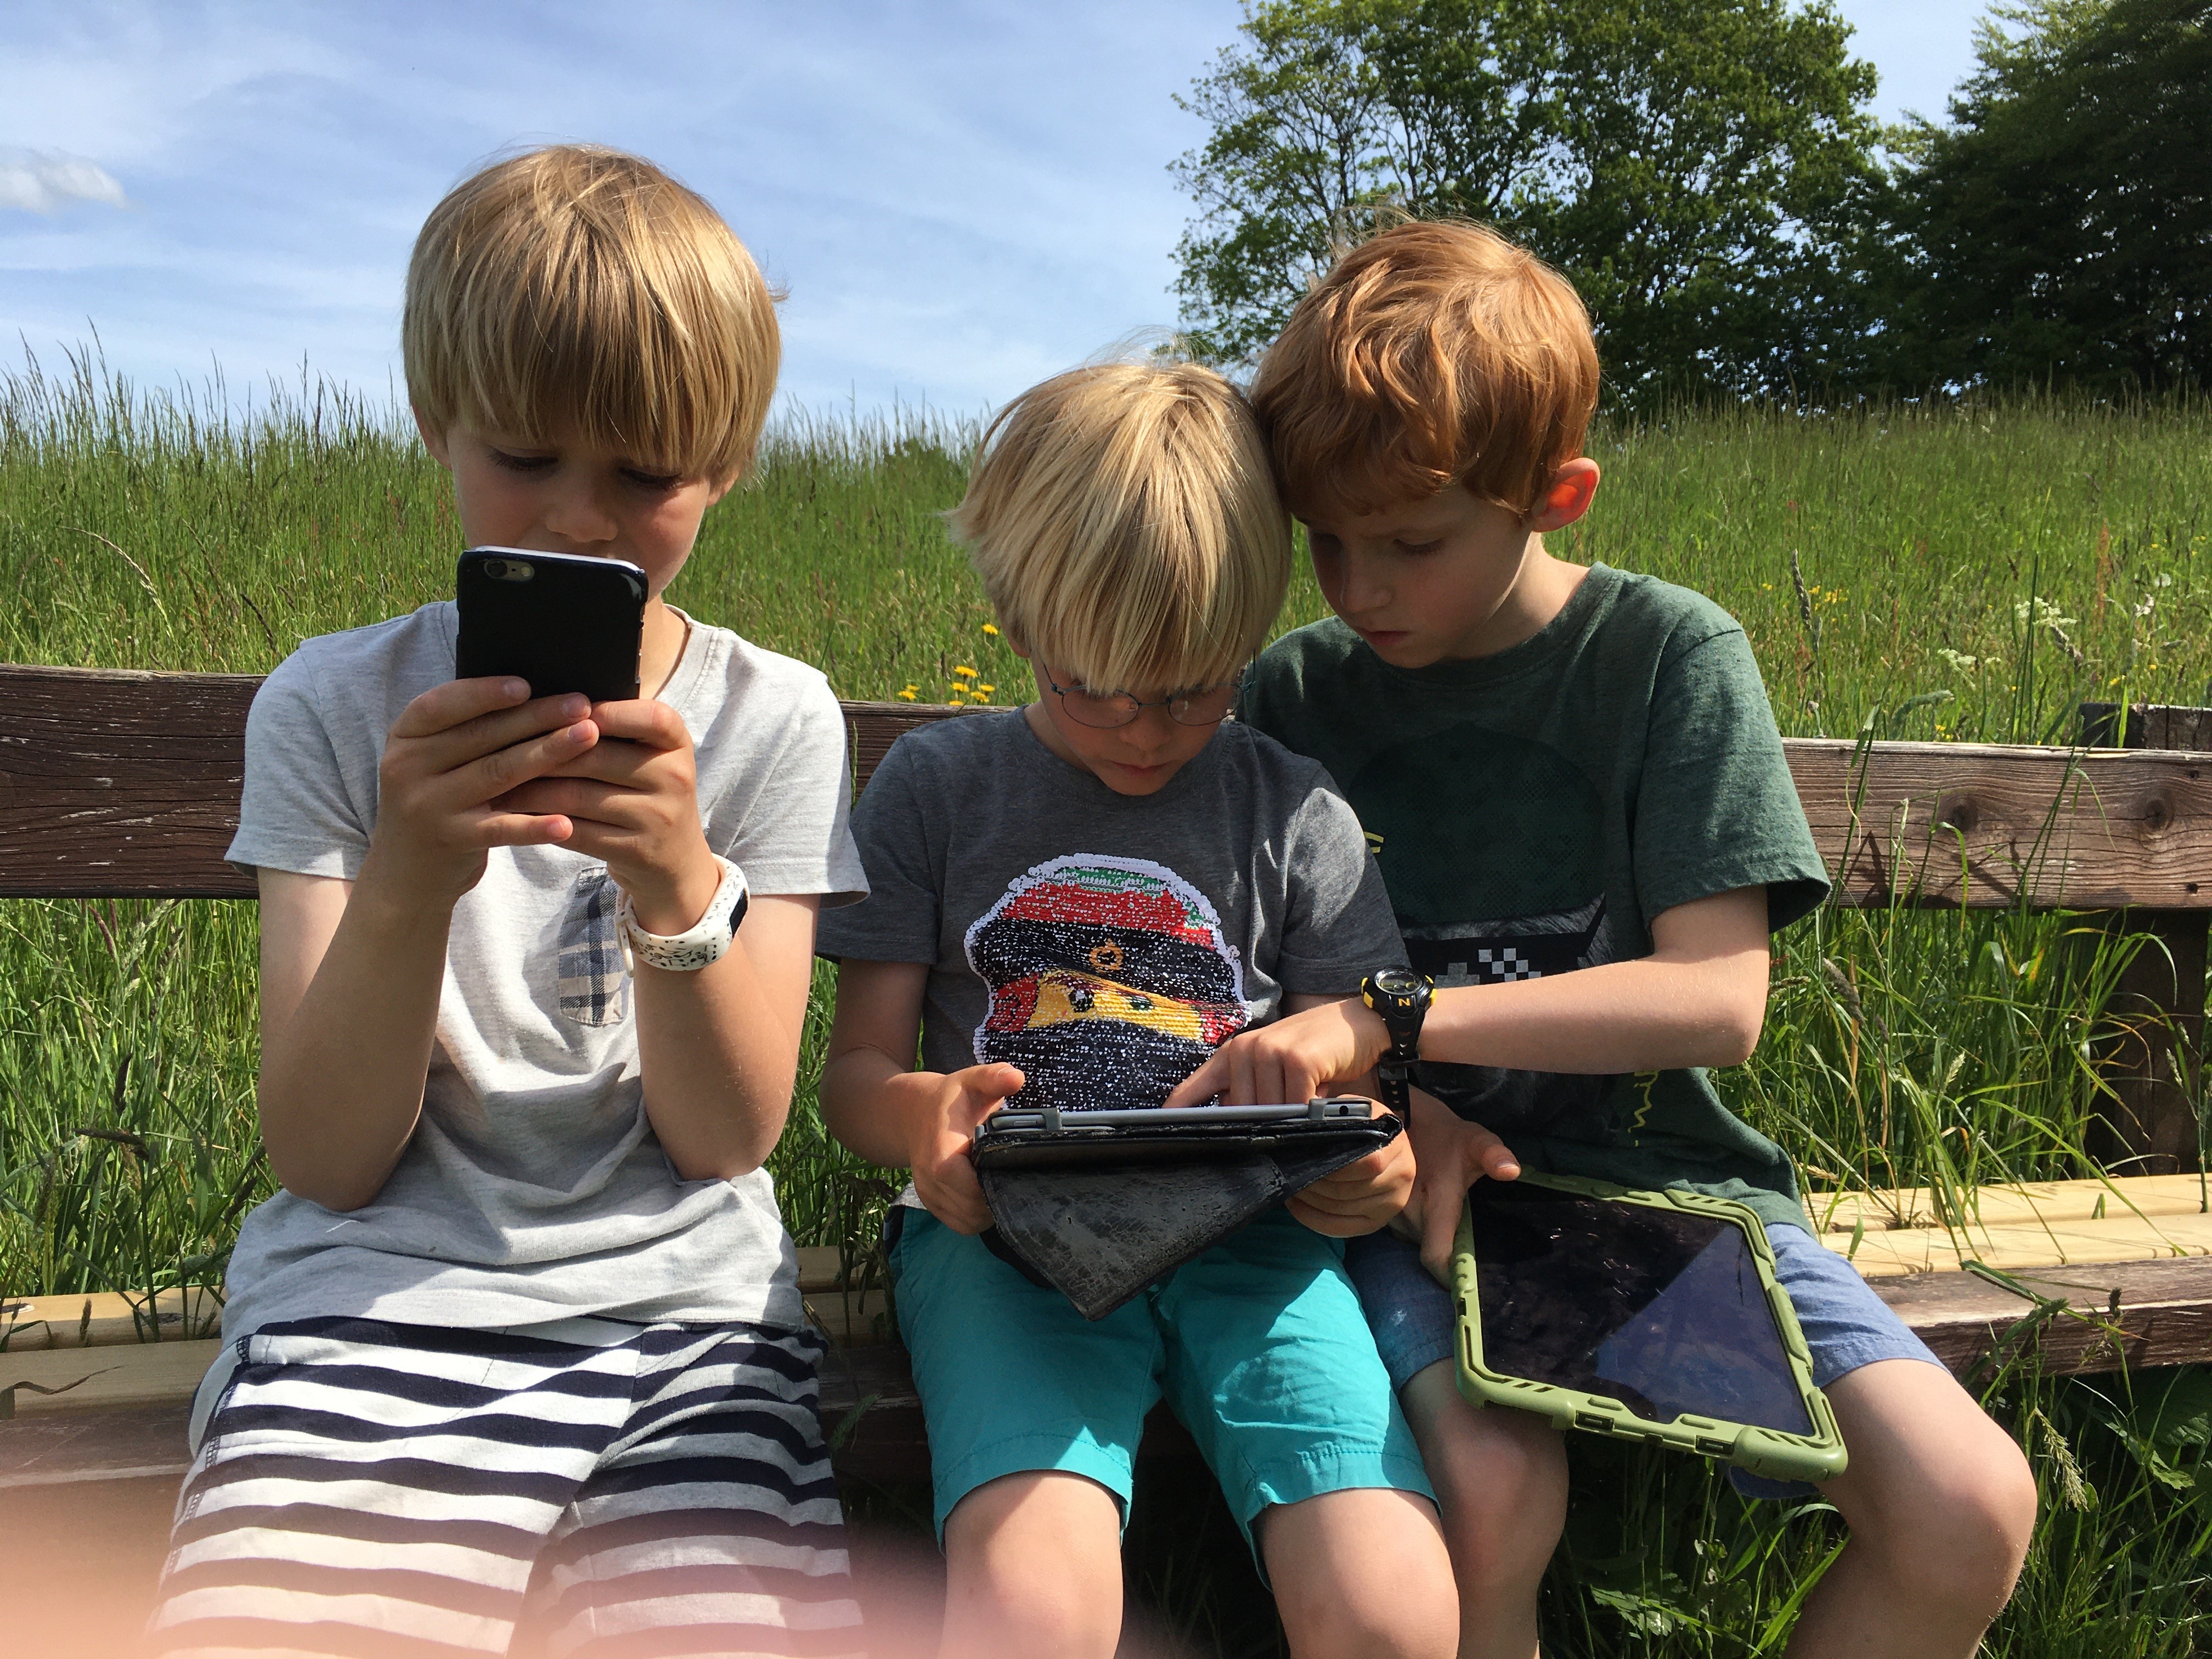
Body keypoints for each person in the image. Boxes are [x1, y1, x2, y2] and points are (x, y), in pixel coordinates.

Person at [1167, 219, 2039, 1659]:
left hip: (1663, 1199)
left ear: (1554, 497)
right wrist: (1405, 1108)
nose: (1356, 587)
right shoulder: (1295, 693)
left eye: (1411, 543)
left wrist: (1395, 1022)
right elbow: (1245, 985)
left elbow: (1716, 1000)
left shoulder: (1665, 659)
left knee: (1966, 1508)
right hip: (1399, 1199)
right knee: (1490, 1496)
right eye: (1323, 539)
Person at [145, 145, 867, 1658]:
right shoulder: (332, 706)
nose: (583, 519)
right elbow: (328, 1157)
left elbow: (726, 1140)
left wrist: (678, 886)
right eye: (526, 456)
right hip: (368, 1301)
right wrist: (409, 883)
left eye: (647, 476)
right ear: (436, 419)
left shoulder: (776, 720)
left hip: (683, 1317)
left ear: (727, 464)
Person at [815, 360, 1458, 1659]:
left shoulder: (1292, 809)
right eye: (1090, 685)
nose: (1144, 731)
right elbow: (854, 1078)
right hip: (1007, 1245)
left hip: (1257, 1241)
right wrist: (924, 1121)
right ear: (1016, 622)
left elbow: (1359, 1078)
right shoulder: (939, 788)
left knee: (1394, 1615)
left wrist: (1367, 1168)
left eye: (1192, 689)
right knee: (1031, 1617)